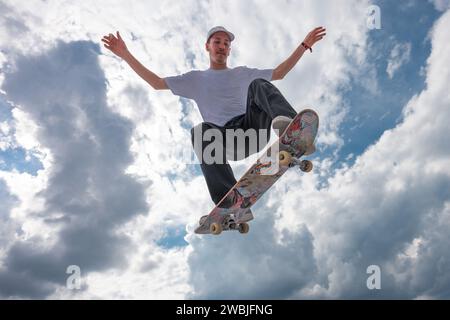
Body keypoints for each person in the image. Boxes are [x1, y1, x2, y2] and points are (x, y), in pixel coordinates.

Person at [101, 26, 326, 220]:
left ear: (229, 50)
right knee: (200, 131)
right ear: (207, 46)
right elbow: (157, 83)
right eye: (217, 42)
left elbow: (280, 72)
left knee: (259, 84)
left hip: (253, 129)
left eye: (226, 43)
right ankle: (228, 201)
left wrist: (304, 45)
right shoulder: (194, 79)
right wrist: (125, 54)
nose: (222, 46)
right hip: (225, 138)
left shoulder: (242, 73)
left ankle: (294, 132)